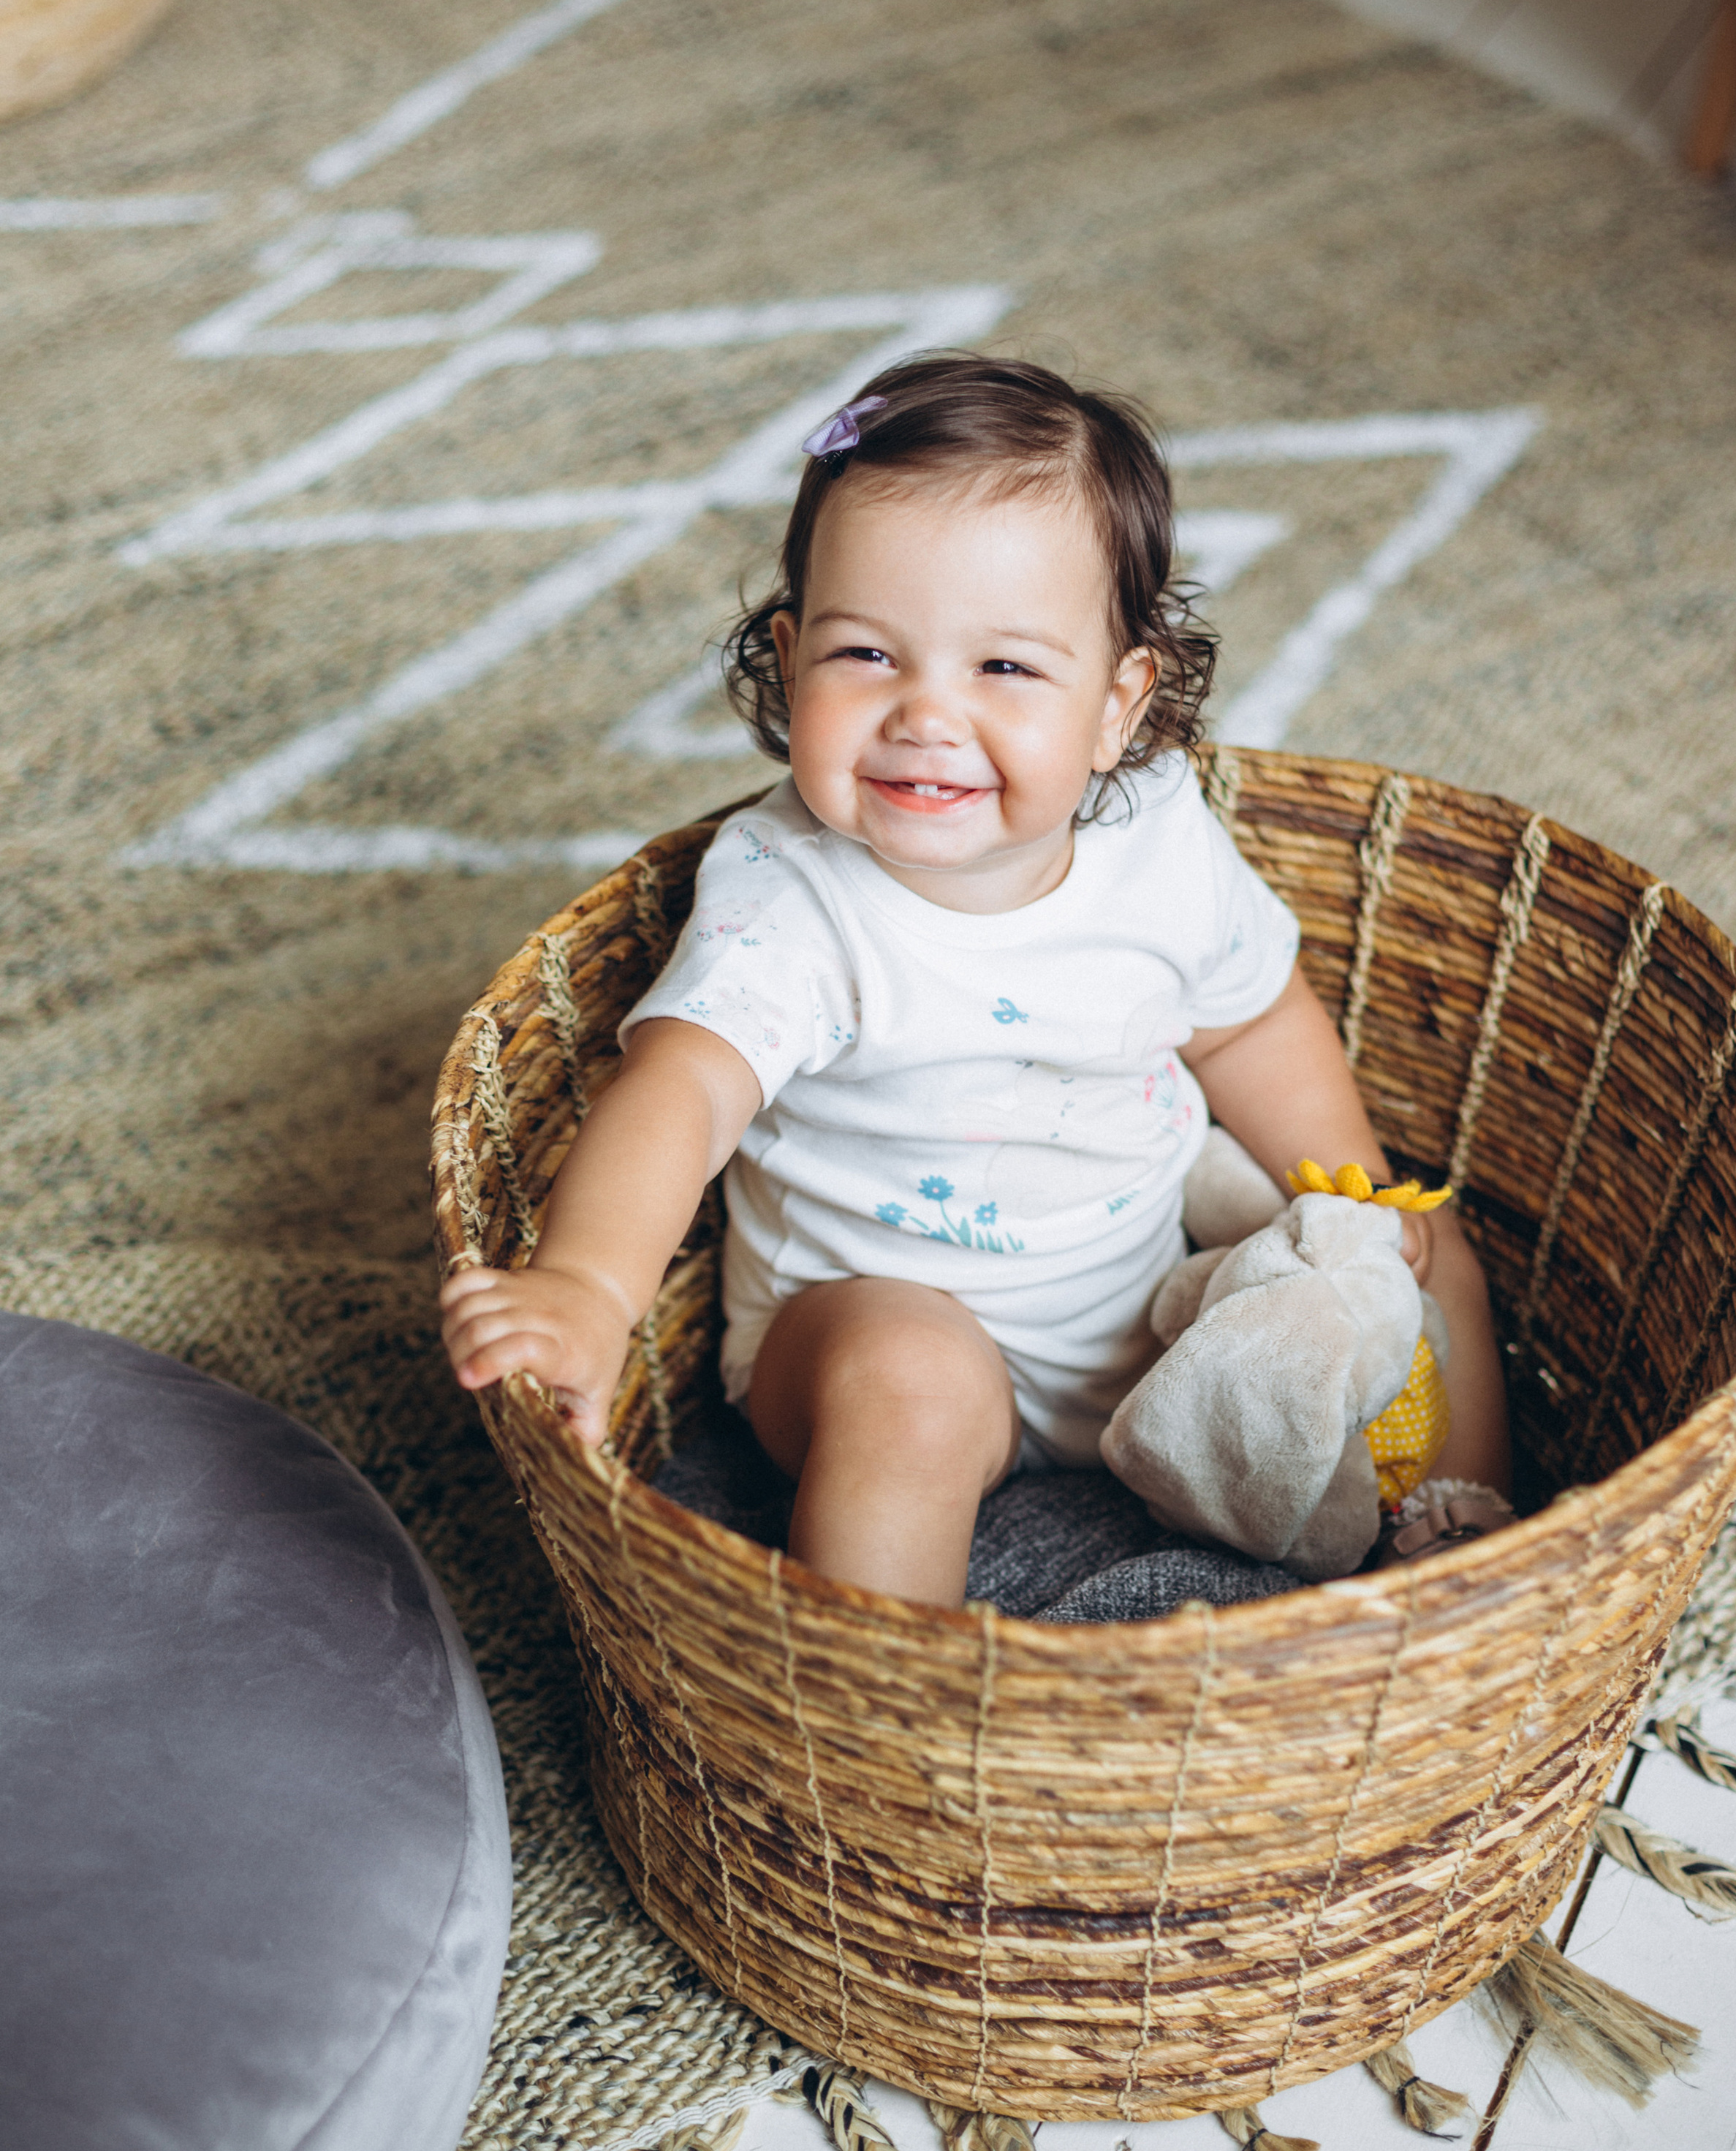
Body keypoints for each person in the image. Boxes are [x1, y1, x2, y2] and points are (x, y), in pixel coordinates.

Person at [441, 354, 1510, 1605]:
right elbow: (679, 1093)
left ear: (1119, 708)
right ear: (789, 664)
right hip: (853, 1335)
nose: (926, 717)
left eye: (1003, 669)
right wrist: (588, 1289)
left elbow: (1251, 1021)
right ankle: (882, 1714)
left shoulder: (1158, 835)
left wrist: (1355, 1193)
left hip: (1148, 1317)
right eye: (864, 656)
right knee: (919, 1385)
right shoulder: (794, 899)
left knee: (1426, 1264)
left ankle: (1463, 1541)